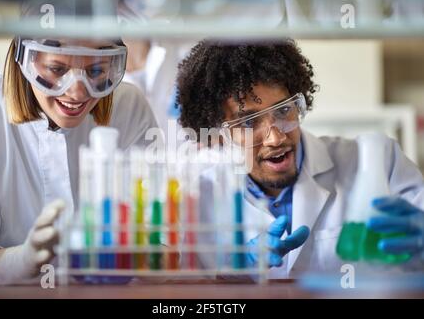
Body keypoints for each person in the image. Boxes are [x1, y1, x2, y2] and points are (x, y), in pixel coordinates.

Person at [175, 39, 424, 279]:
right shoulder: (199, 197)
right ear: (218, 135)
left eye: (284, 110)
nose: (275, 138)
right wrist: (231, 274)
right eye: (249, 122)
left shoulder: (377, 162)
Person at [0, 32, 157, 284]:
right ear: (23, 58)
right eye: (56, 69)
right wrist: (20, 261)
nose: (77, 92)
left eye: (96, 71)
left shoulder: (128, 106)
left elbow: (156, 232)